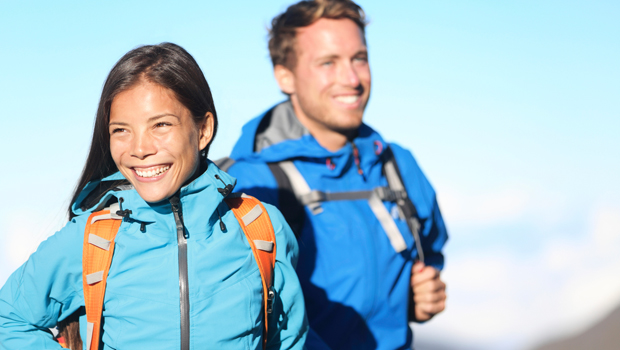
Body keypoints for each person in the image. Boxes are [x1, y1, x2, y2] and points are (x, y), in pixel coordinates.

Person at [0, 43, 307, 350]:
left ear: (203, 130)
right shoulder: (93, 239)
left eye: (160, 125)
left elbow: (290, 340)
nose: (139, 148)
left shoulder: (262, 229)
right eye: (121, 130)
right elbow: (8, 320)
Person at [221, 1, 448, 349]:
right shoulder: (251, 183)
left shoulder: (397, 167)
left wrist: (421, 295)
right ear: (285, 75)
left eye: (359, 57)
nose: (353, 79)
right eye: (328, 62)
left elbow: (429, 254)